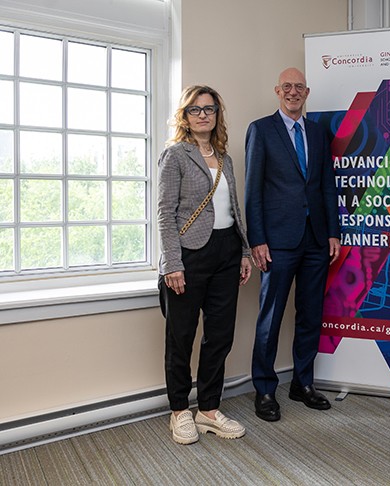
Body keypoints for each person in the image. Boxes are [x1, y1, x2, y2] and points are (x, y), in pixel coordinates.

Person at [244, 67, 341, 422]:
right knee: (270, 317)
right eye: (287, 86)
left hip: (316, 239)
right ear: (277, 90)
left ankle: (303, 383)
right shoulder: (261, 129)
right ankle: (265, 389)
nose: (293, 92)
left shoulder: (317, 132)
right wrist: (257, 239)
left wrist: (333, 232)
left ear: (307, 91)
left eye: (299, 87)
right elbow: (252, 189)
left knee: (310, 315)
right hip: (278, 242)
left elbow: (326, 186)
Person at [158, 85, 252, 445]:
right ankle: (180, 410)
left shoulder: (224, 158)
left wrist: (243, 252)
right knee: (180, 336)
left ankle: (209, 410)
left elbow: (233, 210)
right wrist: (172, 263)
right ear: (185, 115)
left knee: (220, 334)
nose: (203, 115)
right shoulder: (176, 155)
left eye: (209, 109)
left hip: (226, 251)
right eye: (195, 110)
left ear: (216, 115)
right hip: (189, 254)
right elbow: (166, 214)